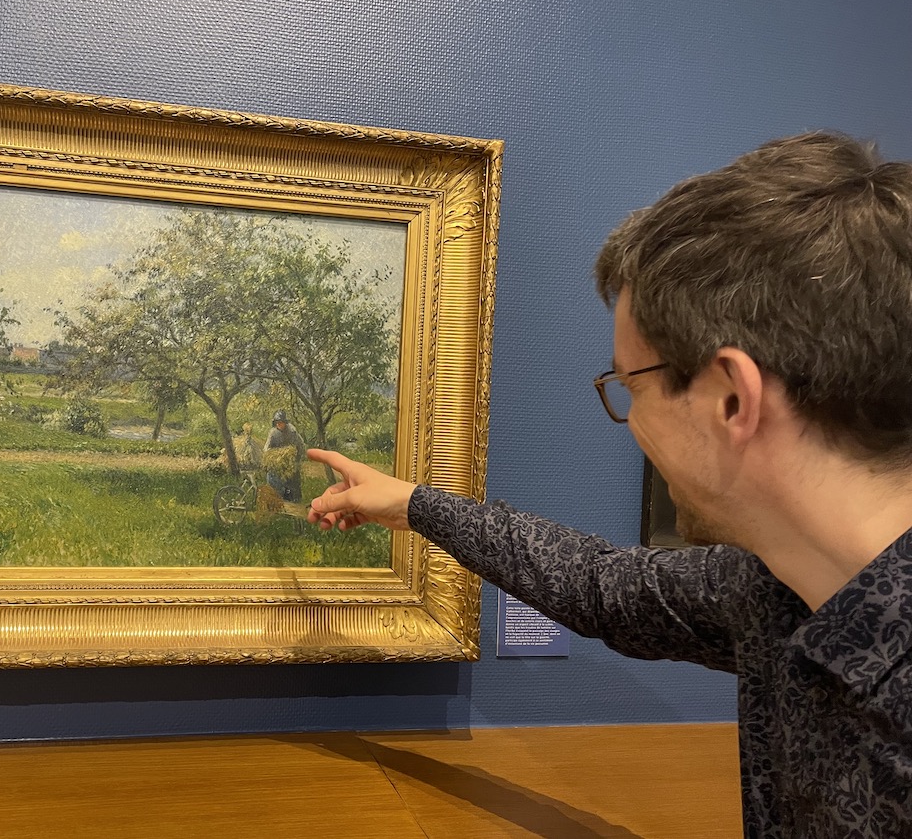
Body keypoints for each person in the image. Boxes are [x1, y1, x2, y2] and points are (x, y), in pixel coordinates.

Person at [306, 132, 912, 838]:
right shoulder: (774, 589)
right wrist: (412, 503)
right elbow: (601, 587)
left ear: (731, 400)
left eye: (632, 387)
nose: (630, 421)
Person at [263, 410, 305, 502]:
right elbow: (266, 447)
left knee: (293, 480)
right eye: (277, 423)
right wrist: (273, 454)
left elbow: (299, 445)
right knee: (273, 477)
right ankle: (276, 500)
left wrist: (296, 457)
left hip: (290, 460)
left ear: (285, 423)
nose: (279, 425)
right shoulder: (273, 433)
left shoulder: (292, 431)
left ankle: (294, 501)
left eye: (280, 423)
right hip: (278, 461)